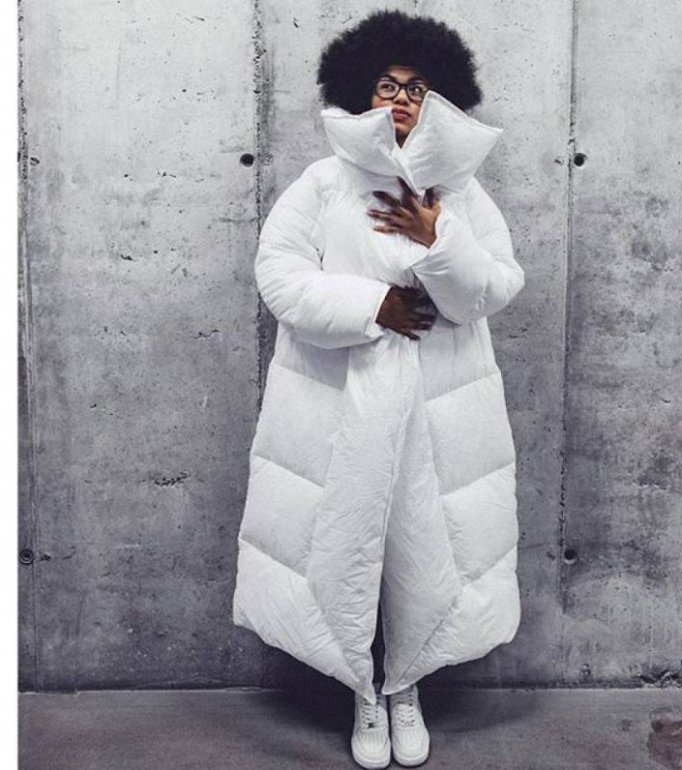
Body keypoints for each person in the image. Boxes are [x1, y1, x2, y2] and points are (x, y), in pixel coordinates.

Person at [232, 10, 526, 769]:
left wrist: (438, 239)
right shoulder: (324, 183)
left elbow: (497, 286)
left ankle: (405, 687)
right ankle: (362, 690)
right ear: (361, 92)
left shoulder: (459, 191)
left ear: (439, 97)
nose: (400, 98)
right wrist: (374, 306)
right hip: (344, 401)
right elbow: (279, 276)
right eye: (387, 85)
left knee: (427, 552)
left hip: (438, 406)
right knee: (343, 548)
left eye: (416, 86)